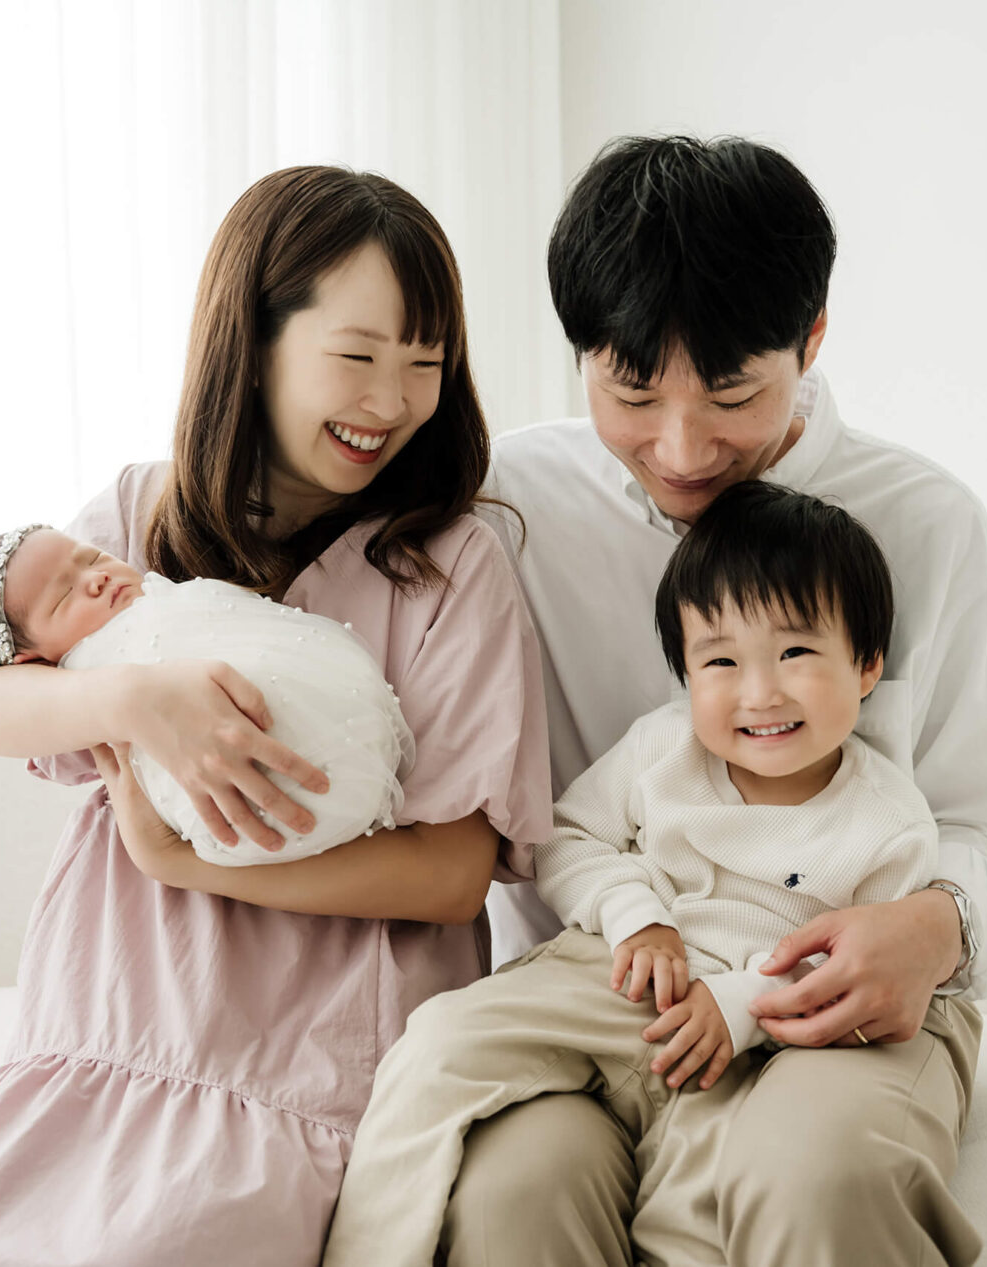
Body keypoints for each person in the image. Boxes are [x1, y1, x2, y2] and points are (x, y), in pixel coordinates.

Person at [0, 165, 552, 1266]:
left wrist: (191, 860)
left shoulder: (452, 567)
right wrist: (130, 698)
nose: (392, 401)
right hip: (112, 1014)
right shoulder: (133, 517)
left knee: (164, 1240)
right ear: (251, 341)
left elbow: (453, 871)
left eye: (425, 365)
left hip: (310, 1051)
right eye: (355, 356)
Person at [454, 135, 987, 1265]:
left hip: (827, 1001)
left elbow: (971, 834)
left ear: (809, 343)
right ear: (580, 359)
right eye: (629, 392)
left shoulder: (925, 524)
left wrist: (937, 927)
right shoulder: (510, 503)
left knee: (816, 1181)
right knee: (507, 1195)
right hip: (600, 984)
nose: (678, 446)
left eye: (729, 394)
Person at [323, 481, 940, 1266]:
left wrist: (742, 1000)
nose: (760, 692)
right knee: (440, 1040)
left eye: (795, 651)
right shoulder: (664, 745)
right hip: (621, 970)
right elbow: (569, 836)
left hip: (756, 1029)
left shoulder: (890, 818)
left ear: (866, 666)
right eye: (720, 660)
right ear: (685, 670)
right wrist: (634, 914)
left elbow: (855, 967)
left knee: (695, 1202)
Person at [0, 525, 414, 864]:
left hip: (338, 728)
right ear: (32, 662)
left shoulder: (170, 596)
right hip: (240, 812)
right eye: (65, 597)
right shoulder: (71, 683)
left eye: (92, 557)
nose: (96, 577)